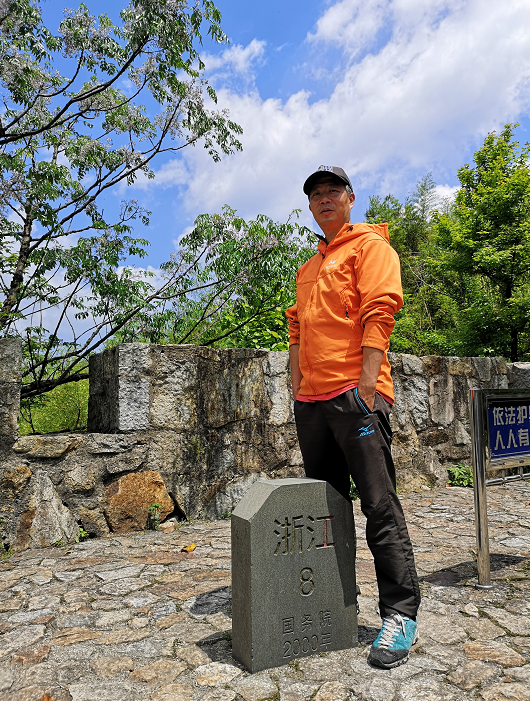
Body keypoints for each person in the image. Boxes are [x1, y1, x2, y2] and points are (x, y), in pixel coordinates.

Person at [286, 165, 421, 669]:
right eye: (316, 194)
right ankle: (333, 605)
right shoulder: (308, 267)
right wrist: (298, 386)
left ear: (350, 197)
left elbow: (380, 311)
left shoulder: (370, 247)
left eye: (332, 191)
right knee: (325, 511)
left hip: (355, 396)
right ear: (310, 206)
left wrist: (367, 384)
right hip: (312, 402)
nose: (324, 199)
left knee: (379, 506)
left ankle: (400, 614)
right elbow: (297, 330)